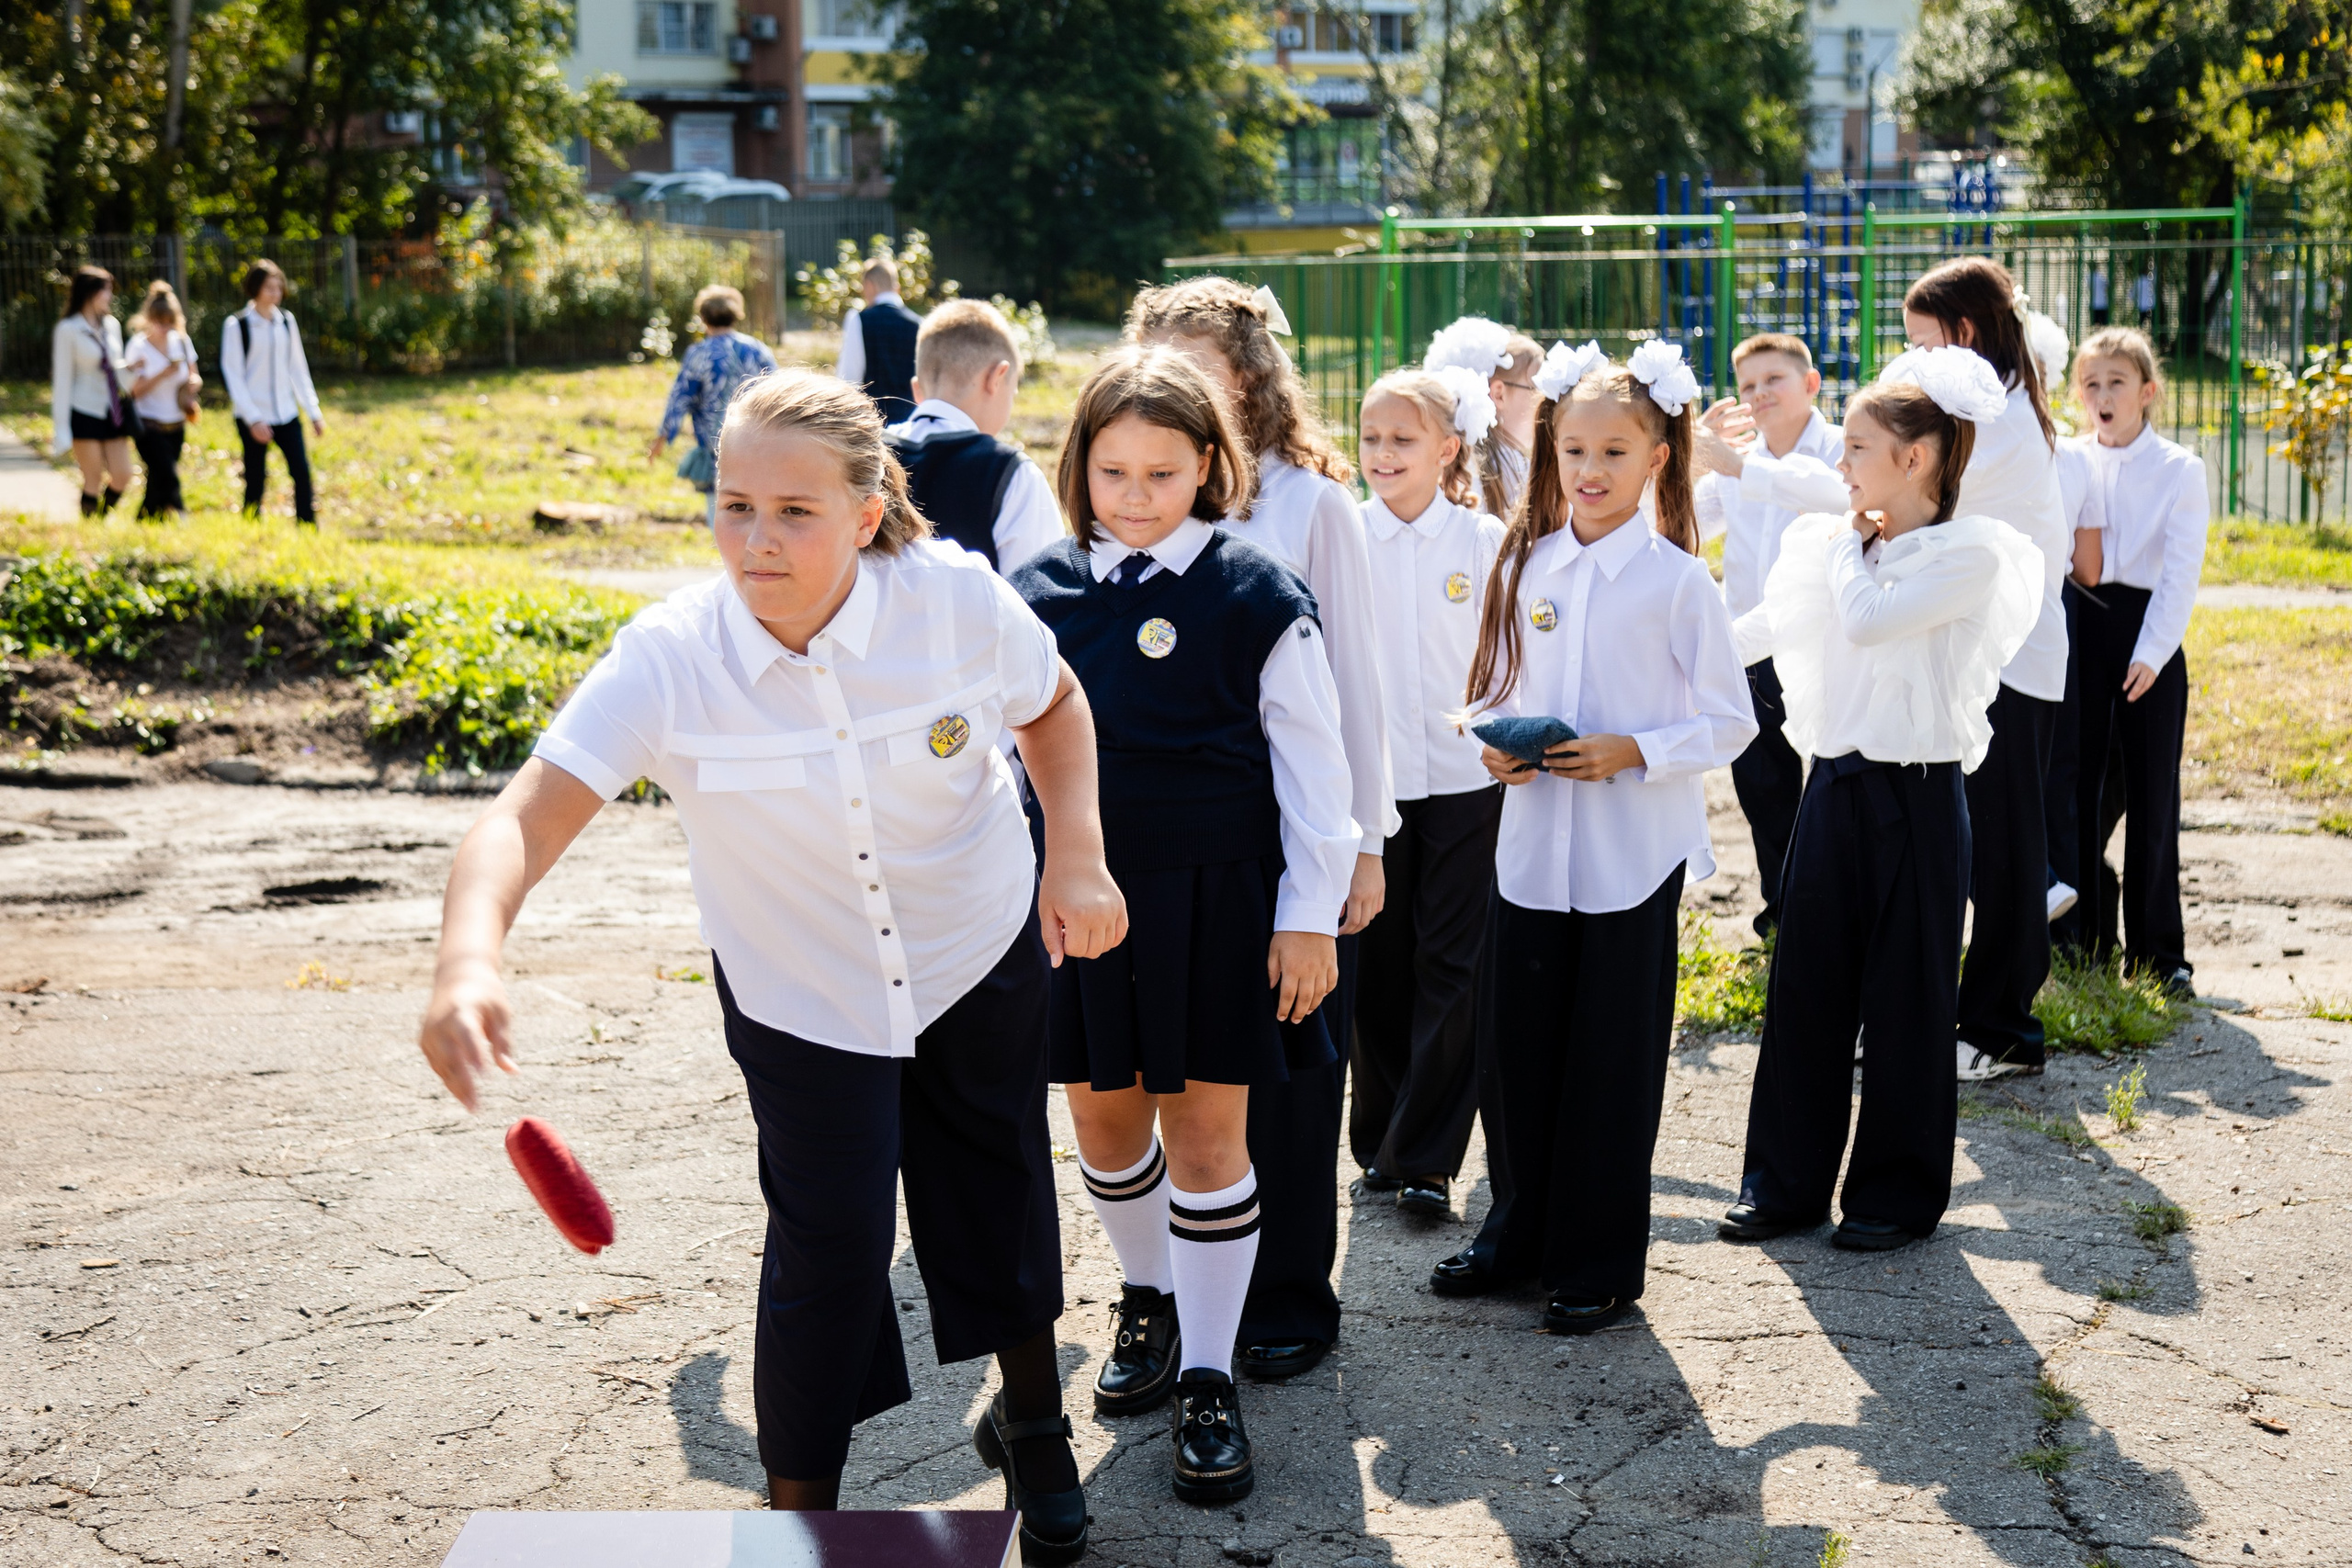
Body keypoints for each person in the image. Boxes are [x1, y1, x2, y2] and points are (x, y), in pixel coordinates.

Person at [416, 369, 1121, 1565]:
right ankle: (807, 1526)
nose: (756, 538)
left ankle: (1036, 1421)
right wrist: (464, 958)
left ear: (866, 508)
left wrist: (1080, 856)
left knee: (993, 1182)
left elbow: (1053, 705)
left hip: (971, 943)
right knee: (828, 1241)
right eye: (733, 503)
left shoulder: (952, 600)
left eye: (794, 511)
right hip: (802, 990)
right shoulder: (672, 655)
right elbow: (522, 818)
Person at [1009, 344, 1357, 1502]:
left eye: (1163, 473)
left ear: (1210, 466)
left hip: (1222, 897)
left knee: (1207, 1137)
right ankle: (1148, 1297)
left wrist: (1309, 917)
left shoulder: (1256, 592)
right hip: (1082, 902)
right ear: (1081, 470)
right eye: (1114, 473)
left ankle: (1208, 1375)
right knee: (1106, 1129)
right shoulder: (1039, 592)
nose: (1138, 498)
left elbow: (1316, 769)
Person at [1432, 340, 1756, 1331]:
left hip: (1627, 859)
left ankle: (1596, 1262)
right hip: (1532, 848)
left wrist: (1635, 750)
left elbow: (1730, 720)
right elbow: (1491, 687)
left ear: (1660, 457)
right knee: (1516, 1052)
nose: (1590, 471)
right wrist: (1492, 742)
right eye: (1574, 449)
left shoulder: (1674, 580)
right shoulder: (1524, 558)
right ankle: (1513, 1233)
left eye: (1615, 451)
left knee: (1608, 1061)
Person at [1127, 276, 1395, 1384]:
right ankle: (1175, 1291)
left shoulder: (1308, 503)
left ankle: (1287, 1290)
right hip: (1168, 837)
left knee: (1283, 1067)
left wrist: (1365, 841)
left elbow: (1357, 689)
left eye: (1196, 363)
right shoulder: (1143, 496)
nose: (1177, 383)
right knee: (1176, 1072)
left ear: (1247, 375)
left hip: (1288, 831)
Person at [1718, 349, 2043, 1252]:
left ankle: (1893, 1197)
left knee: (1906, 998)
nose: (1841, 464)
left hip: (1918, 796)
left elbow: (1865, 617)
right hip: (1832, 785)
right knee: (1805, 988)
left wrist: (1846, 554)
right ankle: (1781, 1186)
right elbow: (1760, 629)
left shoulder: (1970, 555)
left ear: (1917, 458)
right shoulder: (1837, 544)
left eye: (1856, 447)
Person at [1900, 257, 2073, 1083]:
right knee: (1981, 843)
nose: (1912, 361)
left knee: (2005, 850)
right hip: (1979, 655)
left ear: (1963, 333)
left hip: (2013, 660)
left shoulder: (1995, 426)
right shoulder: (1989, 412)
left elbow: (1919, 509)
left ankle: (2005, 1030)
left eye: (1921, 343)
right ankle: (1972, 1015)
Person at [1350, 366, 1506, 1216]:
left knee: (1454, 961)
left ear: (1447, 449)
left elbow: (1510, 653)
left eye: (1402, 439)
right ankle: (1378, 1138)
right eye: (1371, 437)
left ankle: (1427, 1159)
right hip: (1372, 790)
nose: (1382, 453)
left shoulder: (1481, 542)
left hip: (1463, 783)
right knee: (1377, 967)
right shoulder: (1344, 535)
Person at [1692, 333, 1849, 936]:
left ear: (1811, 385)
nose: (1759, 395)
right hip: (1756, 646)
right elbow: (1683, 524)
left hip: (1827, 642)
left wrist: (1735, 464)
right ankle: (1784, 910)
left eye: (1773, 380)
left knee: (1830, 780)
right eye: (1748, 385)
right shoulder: (1735, 465)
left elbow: (1842, 503)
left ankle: (1835, 910)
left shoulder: (1842, 448)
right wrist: (1685, 463)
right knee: (1762, 782)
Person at [2066, 327, 2206, 998]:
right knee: (2082, 789)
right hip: (2082, 632)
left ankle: (2158, 953)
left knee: (2153, 798)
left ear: (2146, 392)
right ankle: (2090, 938)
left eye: (2116, 382)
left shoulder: (2180, 468)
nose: (2102, 395)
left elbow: (2180, 575)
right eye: (2090, 383)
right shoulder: (2071, 460)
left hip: (2151, 639)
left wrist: (2152, 653)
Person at [885, 299, 1064, 574]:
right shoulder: (1012, 475)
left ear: (917, 391)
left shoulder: (866, 454)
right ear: (997, 377)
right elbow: (1038, 598)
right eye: (1013, 391)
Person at [650, 284, 779, 525]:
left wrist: (662, 438)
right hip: (759, 446)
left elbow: (680, 398)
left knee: (723, 514)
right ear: (736, 315)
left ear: (703, 318)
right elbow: (781, 392)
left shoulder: (699, 353)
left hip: (718, 450)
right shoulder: (757, 349)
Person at [220, 259, 325, 525]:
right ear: (255, 287)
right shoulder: (237, 325)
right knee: (256, 476)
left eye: (279, 287)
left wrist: (313, 412)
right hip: (254, 415)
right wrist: (254, 419)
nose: (275, 293)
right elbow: (233, 376)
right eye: (269, 287)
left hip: (286, 412)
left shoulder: (286, 322)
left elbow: (298, 369)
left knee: (301, 472)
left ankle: (307, 527)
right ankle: (251, 527)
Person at [1422, 315, 1544, 520]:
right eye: (1537, 390)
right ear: (1498, 394)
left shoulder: (1439, 458)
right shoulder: (1520, 468)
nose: (1545, 401)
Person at [50, 265, 133, 516]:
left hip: (112, 410)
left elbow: (118, 370)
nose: (110, 296)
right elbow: (62, 381)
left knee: (123, 474)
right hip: (84, 409)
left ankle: (102, 516)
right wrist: (61, 428)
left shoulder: (112, 326)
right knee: (93, 476)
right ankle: (90, 526)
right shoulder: (68, 330)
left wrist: (131, 369)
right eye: (106, 290)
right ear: (90, 293)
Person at [123, 281, 201, 519]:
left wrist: (193, 385)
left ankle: (146, 520)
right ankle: (180, 513)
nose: (165, 327)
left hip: (176, 421)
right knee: (167, 473)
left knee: (157, 478)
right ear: (149, 318)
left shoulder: (182, 341)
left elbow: (194, 375)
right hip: (148, 423)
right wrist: (161, 374)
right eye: (159, 321)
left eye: (169, 322)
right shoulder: (138, 346)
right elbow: (132, 391)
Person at [836, 256, 921, 423]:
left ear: (869, 285)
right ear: (896, 287)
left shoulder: (859, 320)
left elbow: (849, 379)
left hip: (874, 423)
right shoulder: (919, 324)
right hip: (912, 424)